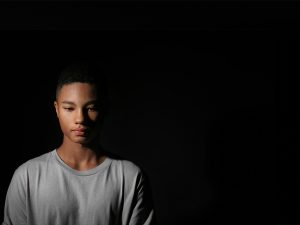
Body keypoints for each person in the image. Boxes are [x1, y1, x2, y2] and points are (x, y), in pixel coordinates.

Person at [2, 62, 156, 225]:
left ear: (104, 109)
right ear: (57, 110)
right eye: (69, 108)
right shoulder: (27, 176)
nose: (80, 119)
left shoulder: (130, 177)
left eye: (91, 108)